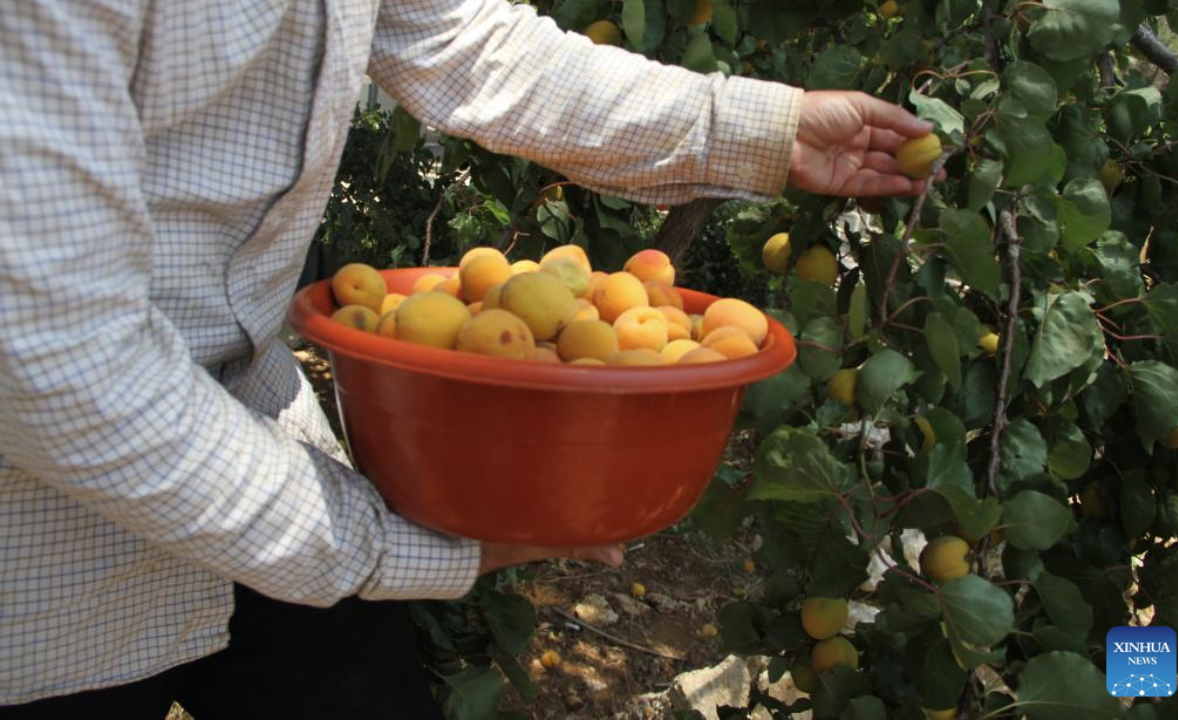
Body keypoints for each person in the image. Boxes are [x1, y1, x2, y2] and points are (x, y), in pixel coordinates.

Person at [0, 0, 933, 716]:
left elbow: (465, 39)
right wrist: (391, 545)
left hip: (259, 436)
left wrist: (762, 128)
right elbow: (56, 358)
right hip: (41, 549)